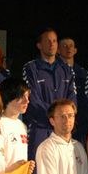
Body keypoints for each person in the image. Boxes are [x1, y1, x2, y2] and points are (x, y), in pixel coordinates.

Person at [22, 28, 77, 158]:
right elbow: (33, 100)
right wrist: (56, 117)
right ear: (39, 45)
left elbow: (72, 99)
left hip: (63, 127)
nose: (52, 44)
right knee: (38, 166)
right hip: (40, 128)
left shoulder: (67, 69)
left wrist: (62, 118)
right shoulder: (30, 68)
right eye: (48, 41)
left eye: (54, 41)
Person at [58, 36, 88, 142]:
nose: (68, 48)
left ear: (75, 50)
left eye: (71, 46)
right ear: (58, 50)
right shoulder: (55, 73)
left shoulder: (83, 73)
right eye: (64, 46)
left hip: (81, 122)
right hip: (62, 120)